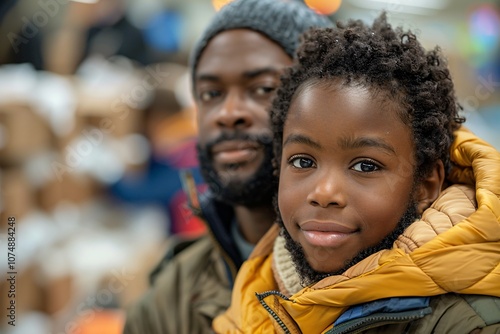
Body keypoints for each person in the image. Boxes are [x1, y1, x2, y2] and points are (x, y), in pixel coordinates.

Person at [213, 13, 500, 333]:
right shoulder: (252, 294)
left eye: (366, 166)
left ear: (425, 186)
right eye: (303, 161)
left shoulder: (468, 324)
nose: (323, 193)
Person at [123, 1, 332, 333]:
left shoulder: (390, 277)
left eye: (263, 88)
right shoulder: (169, 300)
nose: (229, 112)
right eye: (211, 93)